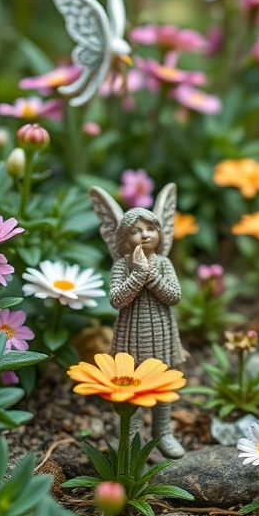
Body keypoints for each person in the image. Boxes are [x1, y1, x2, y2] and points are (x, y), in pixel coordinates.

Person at [90, 184, 186, 458]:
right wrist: (136, 275)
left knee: (164, 379)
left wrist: (150, 275)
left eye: (150, 228)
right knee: (129, 382)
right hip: (130, 335)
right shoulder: (122, 265)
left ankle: (163, 432)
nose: (144, 234)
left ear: (160, 233)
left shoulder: (164, 264)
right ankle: (131, 437)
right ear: (123, 239)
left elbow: (174, 296)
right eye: (136, 231)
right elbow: (117, 299)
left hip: (161, 331)